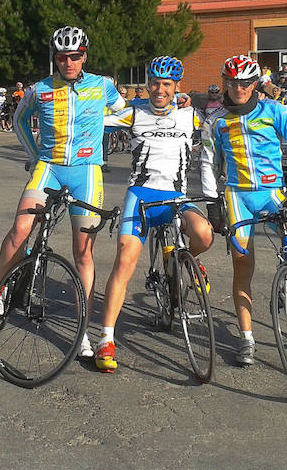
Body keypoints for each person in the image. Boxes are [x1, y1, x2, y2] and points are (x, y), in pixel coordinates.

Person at [0, 26, 126, 358]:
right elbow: (19, 121)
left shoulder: (103, 85)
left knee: (82, 252)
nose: (69, 62)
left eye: (75, 56)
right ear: (55, 58)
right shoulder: (41, 89)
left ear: (84, 56)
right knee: (21, 229)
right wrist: (32, 155)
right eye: (62, 57)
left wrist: (104, 126)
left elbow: (125, 113)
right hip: (48, 166)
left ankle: (82, 330)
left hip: (87, 172)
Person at [201, 54, 287, 367]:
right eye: (232, 82)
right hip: (237, 197)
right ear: (225, 83)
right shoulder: (216, 120)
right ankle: (247, 339)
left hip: (273, 195)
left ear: (254, 83)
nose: (238, 87)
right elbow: (207, 162)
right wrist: (211, 203)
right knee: (242, 266)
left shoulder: (274, 111)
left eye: (245, 82)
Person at [94, 56, 214, 372]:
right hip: (142, 197)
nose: (159, 90)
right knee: (125, 260)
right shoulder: (133, 112)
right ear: (148, 83)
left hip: (176, 197)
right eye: (155, 83)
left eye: (166, 84)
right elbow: (95, 118)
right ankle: (105, 338)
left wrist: (215, 194)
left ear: (177, 87)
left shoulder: (192, 116)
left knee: (204, 234)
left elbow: (217, 140)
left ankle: (192, 261)